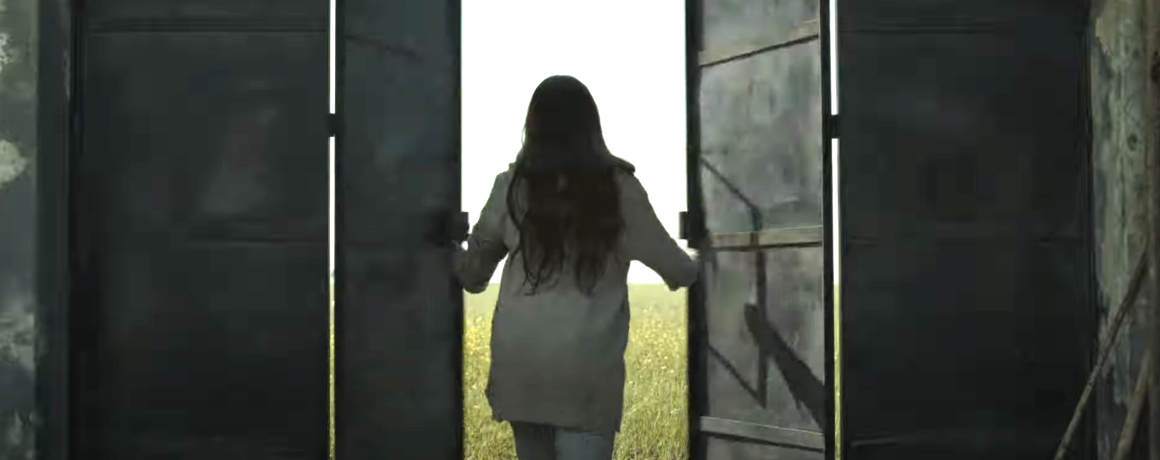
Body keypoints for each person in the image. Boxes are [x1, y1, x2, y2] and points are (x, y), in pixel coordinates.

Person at [451, 75, 700, 460]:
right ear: (592, 126)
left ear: (532, 125)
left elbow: (471, 276)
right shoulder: (620, 190)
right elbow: (681, 272)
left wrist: (447, 241)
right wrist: (714, 253)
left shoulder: (510, 188)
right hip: (586, 380)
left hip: (523, 372)